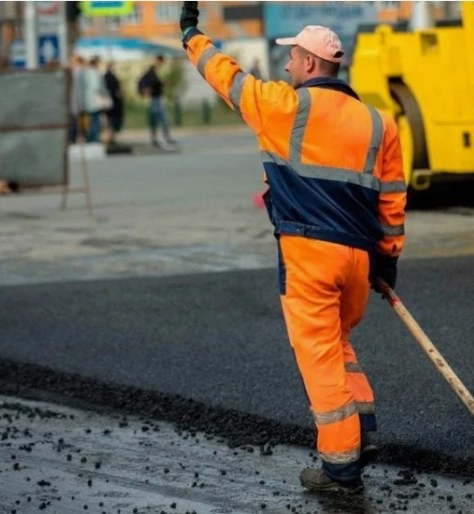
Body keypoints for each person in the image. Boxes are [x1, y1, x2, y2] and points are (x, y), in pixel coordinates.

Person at [179, 2, 406, 495]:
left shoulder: (285, 106)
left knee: (320, 357)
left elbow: (226, 77)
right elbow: (391, 198)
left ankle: (340, 468)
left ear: (308, 63)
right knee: (338, 343)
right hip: (358, 260)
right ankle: (361, 432)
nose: (285, 66)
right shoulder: (378, 124)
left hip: (310, 256)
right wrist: (387, 258)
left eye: (291, 58)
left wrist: (191, 36)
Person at [138, 55, 177, 148]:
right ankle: (162, 137)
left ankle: (158, 137)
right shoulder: (151, 71)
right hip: (155, 99)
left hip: (157, 98)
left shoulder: (155, 72)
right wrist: (144, 90)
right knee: (160, 118)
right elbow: (144, 81)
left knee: (157, 119)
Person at [104, 61, 125, 146]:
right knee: (112, 121)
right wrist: (119, 94)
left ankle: (111, 138)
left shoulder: (106, 76)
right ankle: (110, 138)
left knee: (110, 121)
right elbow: (114, 90)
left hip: (111, 102)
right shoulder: (110, 77)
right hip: (113, 103)